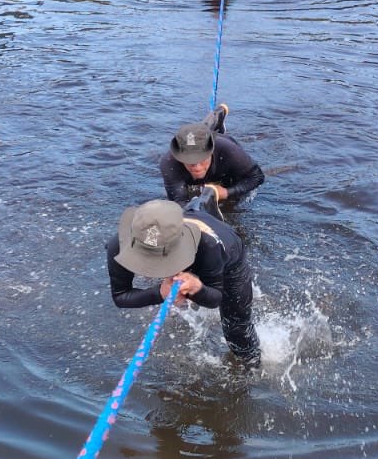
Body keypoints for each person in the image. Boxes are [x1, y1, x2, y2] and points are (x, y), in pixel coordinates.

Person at [106, 195, 261, 364]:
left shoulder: (210, 246)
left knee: (237, 330)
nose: (149, 265)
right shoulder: (118, 245)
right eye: (145, 257)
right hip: (180, 234)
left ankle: (253, 368)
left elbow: (215, 298)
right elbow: (120, 296)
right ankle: (201, 202)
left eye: (154, 259)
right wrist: (159, 293)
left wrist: (197, 289)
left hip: (229, 257)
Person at [160, 116, 264, 208]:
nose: (197, 167)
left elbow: (257, 177)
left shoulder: (230, 151)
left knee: (233, 199)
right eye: (190, 161)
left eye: (202, 159)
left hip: (224, 167)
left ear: (211, 152)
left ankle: (218, 127)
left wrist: (227, 192)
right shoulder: (169, 162)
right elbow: (180, 202)